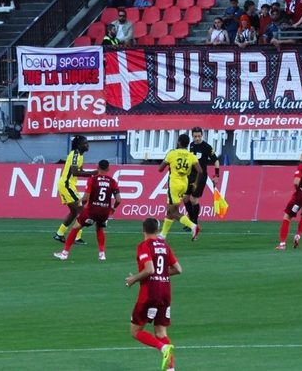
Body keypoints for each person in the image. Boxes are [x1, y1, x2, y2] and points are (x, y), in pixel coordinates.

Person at [125, 218, 180, 371]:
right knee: (161, 332)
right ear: (157, 230)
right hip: (165, 292)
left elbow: (149, 270)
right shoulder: (165, 245)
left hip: (150, 293)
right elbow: (178, 269)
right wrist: (162, 273)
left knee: (135, 331)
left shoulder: (144, 246)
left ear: (143, 230)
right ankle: (171, 369)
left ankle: (163, 349)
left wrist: (133, 279)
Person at [54, 160, 121, 261]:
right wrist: (113, 208)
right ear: (108, 169)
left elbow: (85, 198)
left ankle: (64, 253)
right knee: (99, 229)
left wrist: (81, 205)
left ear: (97, 167)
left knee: (75, 227)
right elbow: (119, 200)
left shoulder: (93, 179)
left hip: (92, 210)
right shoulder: (112, 181)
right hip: (104, 211)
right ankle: (102, 254)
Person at [159, 134, 202, 240]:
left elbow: (160, 169)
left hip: (174, 184)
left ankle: (193, 226)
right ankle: (162, 235)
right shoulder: (191, 155)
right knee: (170, 211)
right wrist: (196, 183)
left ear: (178, 142)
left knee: (173, 212)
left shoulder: (172, 153)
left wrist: (168, 162)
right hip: (184, 184)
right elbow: (200, 171)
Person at [53, 135, 95, 245]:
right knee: (81, 210)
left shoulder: (80, 155)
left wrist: (92, 176)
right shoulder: (75, 154)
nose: (87, 145)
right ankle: (76, 237)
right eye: (85, 143)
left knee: (74, 212)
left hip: (68, 185)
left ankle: (59, 234)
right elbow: (75, 172)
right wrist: (93, 173)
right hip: (66, 185)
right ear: (79, 145)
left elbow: (80, 171)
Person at [183, 127, 219, 233]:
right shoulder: (191, 145)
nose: (197, 138)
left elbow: (216, 161)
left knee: (194, 200)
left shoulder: (207, 147)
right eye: (195, 136)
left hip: (201, 176)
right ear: (192, 136)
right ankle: (191, 221)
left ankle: (194, 223)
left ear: (202, 135)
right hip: (190, 175)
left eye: (199, 136)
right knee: (185, 198)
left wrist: (216, 175)